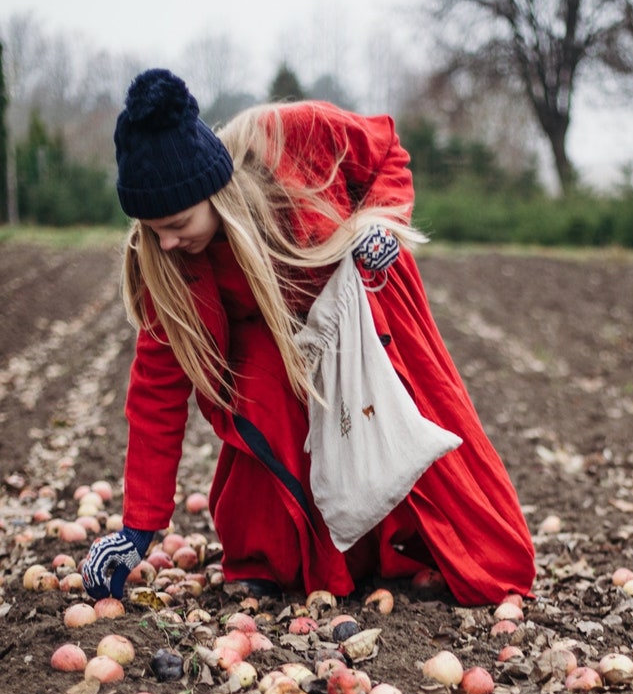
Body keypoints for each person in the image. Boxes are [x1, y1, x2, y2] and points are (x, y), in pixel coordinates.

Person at [81, 68, 535, 607]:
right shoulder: (164, 264)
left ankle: (418, 547)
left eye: (178, 222)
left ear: (215, 193)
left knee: (476, 538)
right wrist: (139, 528)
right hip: (273, 349)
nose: (168, 241)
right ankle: (285, 557)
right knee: (256, 384)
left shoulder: (293, 140)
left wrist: (381, 224)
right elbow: (156, 393)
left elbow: (389, 152)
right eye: (152, 229)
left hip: (360, 302)